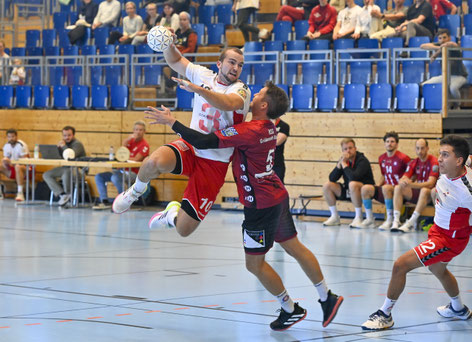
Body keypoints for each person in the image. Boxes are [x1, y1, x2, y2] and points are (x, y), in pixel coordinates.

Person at [143, 81, 344, 331]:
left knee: (254, 264)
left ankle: (290, 308)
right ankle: (327, 297)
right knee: (294, 247)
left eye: (258, 93)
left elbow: (203, 141)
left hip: (259, 206)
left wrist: (171, 121)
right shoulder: (269, 127)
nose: (254, 93)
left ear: (263, 105)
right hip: (276, 196)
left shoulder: (251, 130)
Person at [112, 45, 251, 239]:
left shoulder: (241, 89)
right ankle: (135, 191)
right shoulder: (203, 75)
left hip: (215, 162)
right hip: (191, 146)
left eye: (240, 65)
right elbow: (175, 61)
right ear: (219, 64)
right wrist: (168, 43)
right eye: (232, 62)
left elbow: (227, 103)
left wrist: (198, 90)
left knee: (184, 230)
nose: (236, 68)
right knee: (153, 162)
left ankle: (171, 215)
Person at [362, 135, 472, 331]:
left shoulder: (466, 191)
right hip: (437, 230)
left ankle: (385, 314)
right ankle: (458, 309)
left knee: (400, 265)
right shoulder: (459, 165)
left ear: (458, 160)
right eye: (440, 153)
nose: (439, 159)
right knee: (437, 269)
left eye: (445, 155)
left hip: (449, 239)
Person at [358, 132, 411, 229]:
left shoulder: (403, 158)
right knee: (365, 188)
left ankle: (390, 219)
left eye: (392, 141)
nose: (389, 144)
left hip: (398, 190)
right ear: (384, 144)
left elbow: (410, 173)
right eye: (387, 141)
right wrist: (377, 186)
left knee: (386, 187)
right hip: (386, 189)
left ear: (397, 144)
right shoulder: (381, 158)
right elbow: (384, 174)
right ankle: (370, 219)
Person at [93, 121, 150, 210]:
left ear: (144, 132)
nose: (138, 132)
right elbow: (121, 153)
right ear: (133, 131)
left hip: (134, 174)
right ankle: (104, 201)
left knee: (115, 178)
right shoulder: (130, 142)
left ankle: (124, 202)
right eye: (136, 130)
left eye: (140, 130)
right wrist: (127, 140)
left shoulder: (144, 145)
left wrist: (124, 158)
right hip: (120, 171)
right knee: (99, 176)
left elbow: (136, 159)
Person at [322, 138, 375, 227]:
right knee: (327, 185)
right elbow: (332, 178)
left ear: (355, 148)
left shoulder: (362, 160)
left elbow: (354, 177)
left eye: (350, 148)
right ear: (342, 151)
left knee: (352, 184)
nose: (348, 151)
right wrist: (339, 166)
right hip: (349, 191)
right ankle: (334, 216)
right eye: (345, 149)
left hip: (364, 191)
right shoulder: (343, 161)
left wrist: (344, 164)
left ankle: (359, 217)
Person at [390, 138, 439, 232]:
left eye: (422, 148)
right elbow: (404, 178)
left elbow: (430, 183)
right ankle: (396, 221)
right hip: (418, 193)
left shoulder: (434, 162)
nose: (420, 151)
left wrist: (411, 185)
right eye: (418, 148)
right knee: (398, 187)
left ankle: (410, 222)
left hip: (430, 195)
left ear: (427, 148)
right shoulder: (414, 162)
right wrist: (403, 181)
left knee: (425, 190)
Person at [43, 126, 86, 206]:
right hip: (65, 167)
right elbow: (60, 158)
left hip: (78, 169)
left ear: (73, 135)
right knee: (47, 175)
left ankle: (68, 194)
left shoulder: (77, 144)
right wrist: (57, 149)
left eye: (69, 135)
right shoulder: (64, 144)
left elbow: (70, 156)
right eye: (65, 135)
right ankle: (62, 194)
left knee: (67, 172)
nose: (67, 137)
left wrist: (63, 147)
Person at [421, 28, 468, 102]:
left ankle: (457, 106)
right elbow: (423, 46)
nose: (442, 40)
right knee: (424, 85)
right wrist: (439, 48)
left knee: (453, 88)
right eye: (440, 38)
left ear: (449, 38)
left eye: (444, 37)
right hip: (445, 76)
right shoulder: (440, 45)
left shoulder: (453, 45)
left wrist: (435, 54)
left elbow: (450, 44)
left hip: (459, 76)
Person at [164, 11, 198, 93]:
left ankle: (172, 88)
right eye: (180, 19)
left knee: (175, 67)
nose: (182, 22)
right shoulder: (177, 33)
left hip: (186, 60)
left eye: (184, 19)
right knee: (163, 66)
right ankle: (170, 88)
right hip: (175, 58)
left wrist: (179, 54)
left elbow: (191, 49)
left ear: (188, 21)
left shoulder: (192, 33)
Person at [0, 129, 29, 202]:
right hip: (12, 167)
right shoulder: (6, 146)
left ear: (16, 136)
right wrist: (6, 163)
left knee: (18, 166)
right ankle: (0, 192)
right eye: (9, 137)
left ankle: (20, 193)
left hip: (26, 169)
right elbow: (6, 160)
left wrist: (11, 163)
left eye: (13, 136)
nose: (11, 138)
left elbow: (25, 161)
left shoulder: (21, 145)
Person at [273, 118, 290, 184]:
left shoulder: (283, 125)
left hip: (276, 163)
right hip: (262, 163)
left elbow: (277, 142)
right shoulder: (261, 125)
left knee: (277, 189)